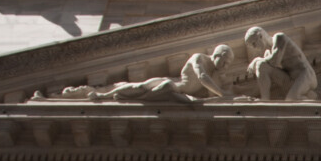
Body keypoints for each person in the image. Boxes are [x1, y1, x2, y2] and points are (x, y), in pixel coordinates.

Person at [85, 44, 234, 103]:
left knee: (145, 92)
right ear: (219, 55)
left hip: (180, 94)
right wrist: (221, 93)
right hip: (173, 84)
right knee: (141, 87)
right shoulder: (199, 58)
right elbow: (202, 77)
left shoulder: (216, 73)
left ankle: (130, 98)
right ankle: (104, 95)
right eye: (226, 62)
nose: (226, 66)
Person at [245, 26, 316, 101]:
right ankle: (265, 99)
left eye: (254, 43)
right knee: (261, 65)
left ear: (260, 36)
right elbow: (261, 79)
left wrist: (256, 60)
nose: (254, 47)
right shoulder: (268, 53)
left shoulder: (279, 37)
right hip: (291, 81)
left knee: (291, 100)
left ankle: (306, 96)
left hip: (305, 76)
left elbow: (275, 60)